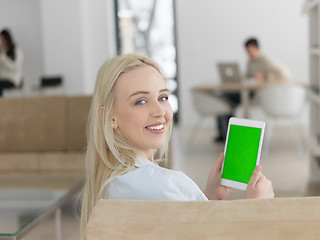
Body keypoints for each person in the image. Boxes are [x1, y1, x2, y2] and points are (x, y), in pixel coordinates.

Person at [80, 54, 274, 239]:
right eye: (140, 101)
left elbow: (182, 228)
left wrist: (209, 196)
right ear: (110, 117)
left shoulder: (110, 181)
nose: (160, 112)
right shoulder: (164, 184)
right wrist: (257, 208)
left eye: (163, 97)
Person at [215, 37, 290, 142]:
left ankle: (228, 135)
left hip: (259, 95)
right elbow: (248, 76)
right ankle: (225, 134)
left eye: (250, 51)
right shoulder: (251, 61)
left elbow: (285, 73)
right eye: (247, 52)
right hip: (248, 91)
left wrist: (265, 76)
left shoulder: (266, 60)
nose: (249, 54)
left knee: (224, 99)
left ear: (257, 48)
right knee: (223, 98)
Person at [0, 29, 23, 96]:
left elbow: (15, 67)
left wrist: (3, 57)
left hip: (12, 79)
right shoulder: (2, 50)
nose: (2, 41)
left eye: (3, 39)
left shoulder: (16, 50)